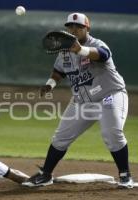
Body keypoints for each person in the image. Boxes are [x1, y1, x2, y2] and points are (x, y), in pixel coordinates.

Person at [22, 13, 134, 188]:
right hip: (82, 102)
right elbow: (59, 71)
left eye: (78, 27)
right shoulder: (64, 52)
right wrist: (50, 84)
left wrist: (81, 50)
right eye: (70, 27)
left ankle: (125, 176)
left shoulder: (96, 44)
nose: (73, 30)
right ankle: (46, 175)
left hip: (110, 95)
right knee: (60, 138)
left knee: (111, 134)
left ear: (87, 28)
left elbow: (102, 55)